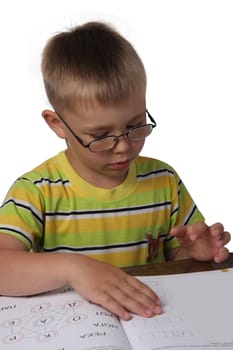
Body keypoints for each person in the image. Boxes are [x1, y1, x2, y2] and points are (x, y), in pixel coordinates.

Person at [0, 21, 230, 321]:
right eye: (100, 135)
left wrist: (194, 256)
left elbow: (175, 261)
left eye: (135, 126)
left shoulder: (164, 181)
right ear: (57, 124)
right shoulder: (37, 190)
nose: (123, 146)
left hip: (152, 323)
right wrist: (73, 268)